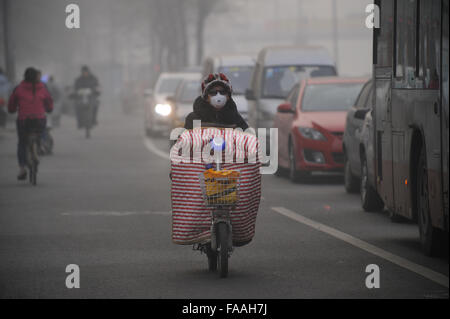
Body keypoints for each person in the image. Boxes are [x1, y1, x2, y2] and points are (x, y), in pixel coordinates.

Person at [8, 67, 53, 180]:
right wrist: (48, 109)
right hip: (39, 120)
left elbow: (11, 106)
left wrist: (12, 110)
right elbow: (49, 103)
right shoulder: (43, 88)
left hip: (24, 120)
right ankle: (40, 144)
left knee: (22, 143)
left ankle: (22, 168)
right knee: (42, 128)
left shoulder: (18, 89)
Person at [184, 73, 248, 130]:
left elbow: (249, 138)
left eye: (222, 92)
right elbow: (182, 140)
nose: (218, 95)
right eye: (213, 92)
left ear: (228, 96)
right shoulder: (194, 118)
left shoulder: (235, 119)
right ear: (206, 97)